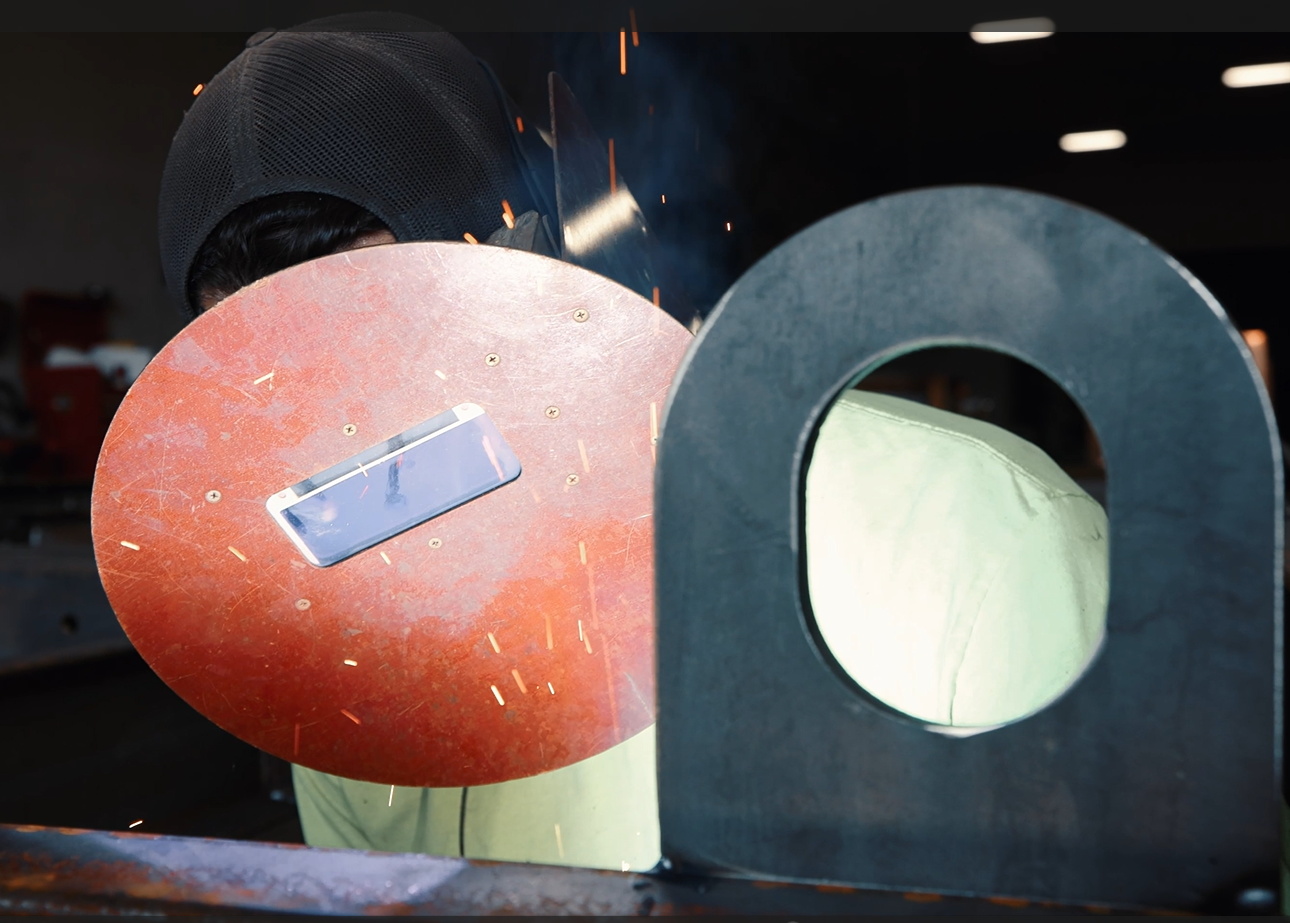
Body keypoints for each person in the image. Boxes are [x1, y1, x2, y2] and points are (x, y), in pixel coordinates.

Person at [157, 14, 1108, 871]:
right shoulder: (343, 640)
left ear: (541, 261)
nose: (344, 442)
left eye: (382, 335)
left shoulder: (968, 543)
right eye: (275, 378)